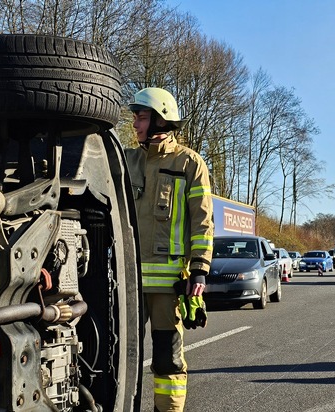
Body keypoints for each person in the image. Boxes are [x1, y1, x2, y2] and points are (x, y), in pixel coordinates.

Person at [124, 87, 214, 412]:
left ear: (161, 121)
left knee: (167, 360)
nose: (135, 124)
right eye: (135, 117)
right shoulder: (126, 160)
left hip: (168, 287)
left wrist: (200, 269)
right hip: (127, 284)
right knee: (121, 359)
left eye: (142, 117)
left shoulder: (189, 163)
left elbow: (202, 221)